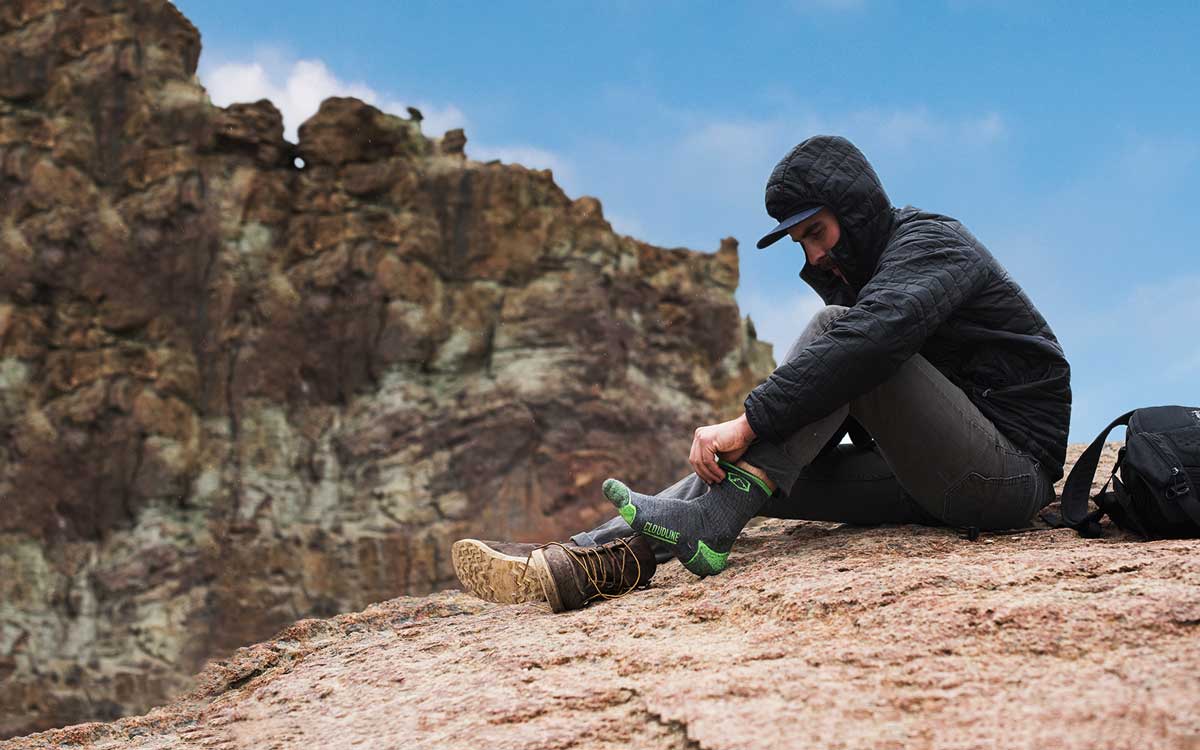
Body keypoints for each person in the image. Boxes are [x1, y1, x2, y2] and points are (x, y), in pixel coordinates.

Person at [452, 134, 1072, 612]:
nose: (815, 255)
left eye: (818, 233)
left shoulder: (934, 245)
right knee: (748, 479)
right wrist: (762, 448)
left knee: (836, 336)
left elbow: (869, 345)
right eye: (802, 243)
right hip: (929, 479)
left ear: (855, 214)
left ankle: (698, 525)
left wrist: (749, 422)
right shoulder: (874, 282)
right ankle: (586, 562)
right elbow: (842, 391)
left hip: (1006, 478)